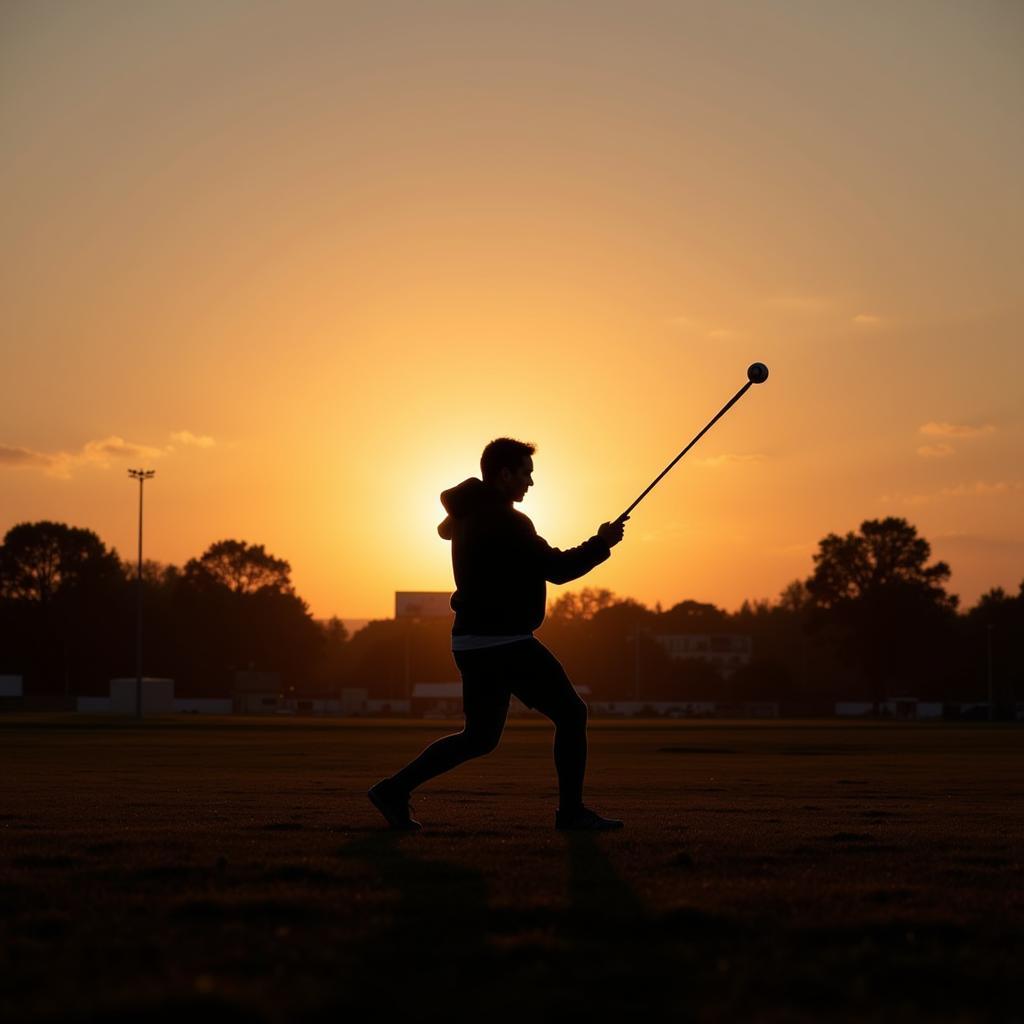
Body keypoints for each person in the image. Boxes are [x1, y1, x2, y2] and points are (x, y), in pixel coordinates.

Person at [369, 437, 627, 831]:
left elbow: (444, 528)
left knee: (479, 737)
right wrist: (601, 543)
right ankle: (571, 814)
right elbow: (557, 569)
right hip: (505, 642)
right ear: (503, 474)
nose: (530, 483)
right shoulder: (510, 521)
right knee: (572, 713)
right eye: (525, 474)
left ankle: (393, 790)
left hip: (470, 642)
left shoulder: (466, 513)